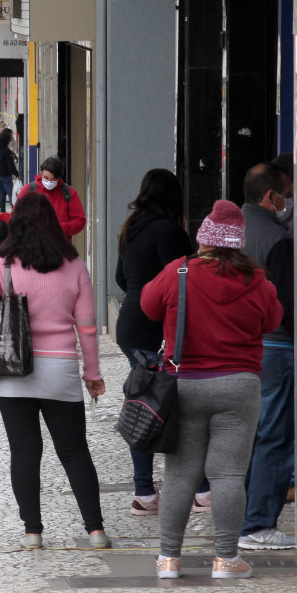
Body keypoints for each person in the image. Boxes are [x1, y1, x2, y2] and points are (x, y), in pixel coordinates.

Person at [0, 192, 110, 551]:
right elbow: (87, 326)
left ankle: (32, 533)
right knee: (74, 452)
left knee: (24, 451)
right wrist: (93, 373)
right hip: (60, 370)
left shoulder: (3, 264)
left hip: (13, 370)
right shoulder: (73, 265)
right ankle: (96, 530)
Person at [140, 200, 283, 579]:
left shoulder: (179, 272)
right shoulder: (257, 279)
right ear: (239, 243)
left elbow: (147, 306)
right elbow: (272, 321)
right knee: (228, 475)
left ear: (203, 238)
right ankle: (226, 559)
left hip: (184, 384)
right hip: (239, 385)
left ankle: (169, 559)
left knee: (181, 474)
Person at [114, 169, 194, 515]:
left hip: (130, 326)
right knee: (167, 406)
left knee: (147, 402)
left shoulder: (132, 226)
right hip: (156, 331)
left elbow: (120, 276)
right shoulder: (169, 231)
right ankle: (199, 489)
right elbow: (185, 280)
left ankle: (145, 493)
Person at [237, 162, 296, 550]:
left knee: (249, 437)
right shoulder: (278, 240)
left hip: (243, 349)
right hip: (276, 346)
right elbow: (288, 307)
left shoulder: (233, 230)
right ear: (271, 197)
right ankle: (258, 524)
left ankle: (244, 517)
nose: (289, 202)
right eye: (286, 195)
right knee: (275, 437)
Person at [16, 157, 86, 239]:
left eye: (53, 179)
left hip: (60, 247)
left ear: (59, 178)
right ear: (41, 173)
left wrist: (57, 227)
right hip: (33, 245)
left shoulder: (69, 193)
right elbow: (16, 216)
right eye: (46, 178)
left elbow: (79, 221)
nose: (49, 181)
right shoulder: (28, 190)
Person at [0, 127, 20, 212]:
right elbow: (11, 165)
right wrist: (17, 174)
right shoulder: (6, 151)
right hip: (5, 175)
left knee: (1, 193)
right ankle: (15, 210)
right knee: (11, 193)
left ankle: (2, 210)